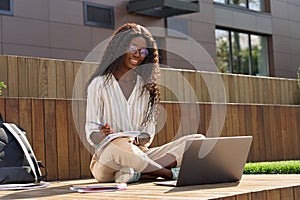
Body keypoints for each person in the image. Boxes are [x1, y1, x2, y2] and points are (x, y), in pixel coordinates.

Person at [85, 23, 205, 183]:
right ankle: (167, 173)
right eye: (133, 47)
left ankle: (136, 173)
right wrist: (104, 135)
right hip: (107, 160)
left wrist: (136, 140)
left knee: (198, 141)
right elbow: (92, 133)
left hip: (140, 155)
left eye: (143, 51)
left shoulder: (146, 89)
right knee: (118, 144)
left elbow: (148, 134)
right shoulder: (99, 85)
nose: (138, 54)